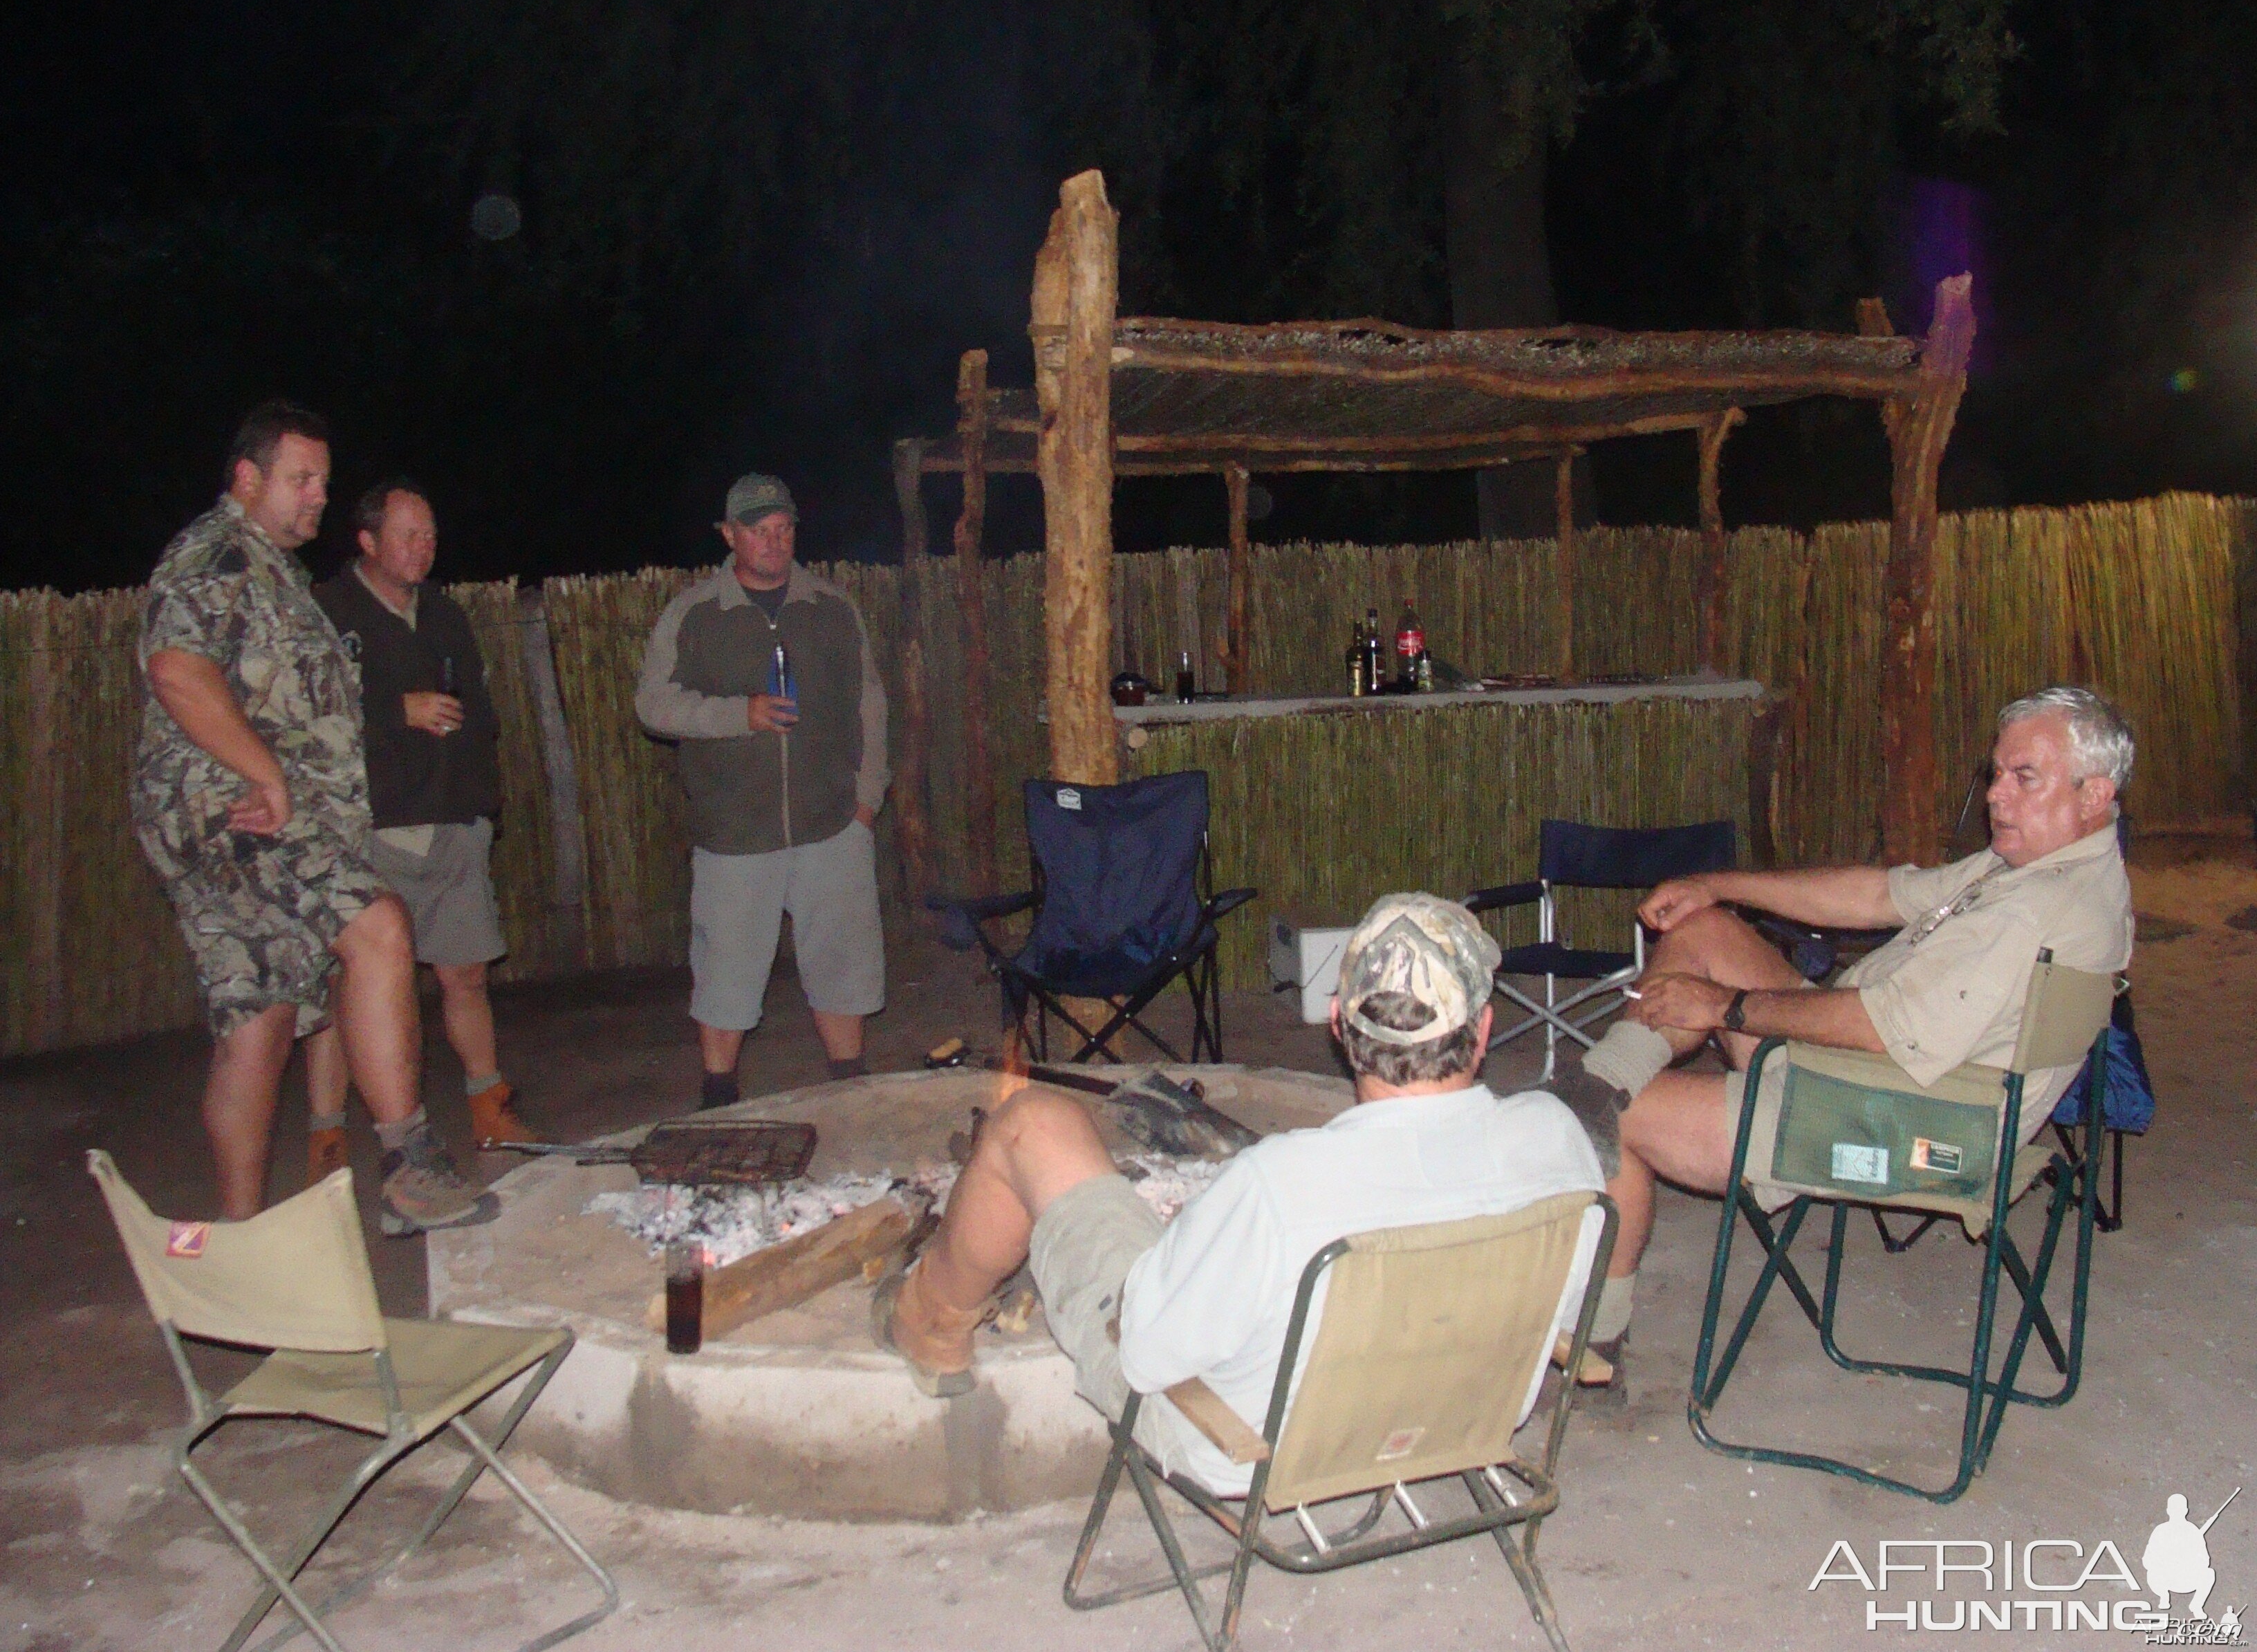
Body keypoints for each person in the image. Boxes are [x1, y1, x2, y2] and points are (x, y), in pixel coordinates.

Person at [874, 893, 1605, 1495]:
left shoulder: (1281, 1182)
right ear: (1482, 1031)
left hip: (1251, 1448)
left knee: (1033, 1122)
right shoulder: (1556, 1139)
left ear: (1342, 1029)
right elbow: (1564, 1314)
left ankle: (931, 1320)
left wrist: (1186, 1255)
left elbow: (1148, 1359)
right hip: (1464, 1416)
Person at [1551, 685, 2135, 1387]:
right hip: (1887, 1069)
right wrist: (1717, 886)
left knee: (1631, 1119)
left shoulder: (2038, 908)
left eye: (2024, 778)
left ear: (2093, 793)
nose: (1995, 797)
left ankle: (1593, 1336)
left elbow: (1878, 1028)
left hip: (1907, 1122)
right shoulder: (2037, 866)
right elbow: (1876, 897)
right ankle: (1596, 1087)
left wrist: (1727, 1008)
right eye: (1997, 773)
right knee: (1703, 931)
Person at [132, 401, 492, 1232]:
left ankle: (241, 1236)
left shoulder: (273, 573)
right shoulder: (217, 554)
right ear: (247, 479)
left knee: (259, 1022)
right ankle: (407, 1165)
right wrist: (271, 777)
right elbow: (178, 673)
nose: (318, 497)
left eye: (324, 482)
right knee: (377, 927)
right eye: (300, 480)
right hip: (237, 811)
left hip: (239, 817)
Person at [305, 481, 534, 1184]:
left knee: (465, 973)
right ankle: (327, 1140)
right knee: (353, 986)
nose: (423, 547)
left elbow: (479, 710)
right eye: (407, 535)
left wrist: (480, 806)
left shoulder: (443, 613)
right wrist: (391, 714)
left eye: (429, 533)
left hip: (451, 823)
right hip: (367, 830)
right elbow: (298, 725)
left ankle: (489, 1109)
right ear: (367, 542)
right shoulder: (324, 613)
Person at [635, 473, 889, 1106]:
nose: (773, 543)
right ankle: (720, 1091)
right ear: (729, 535)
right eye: (757, 531)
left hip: (832, 820)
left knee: (842, 963)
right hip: (735, 830)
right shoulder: (695, 614)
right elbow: (653, 706)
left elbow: (871, 704)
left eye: (783, 530)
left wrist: (867, 800)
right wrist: (733, 715)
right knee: (727, 967)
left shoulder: (831, 607)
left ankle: (849, 1084)